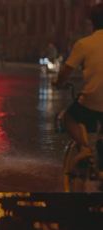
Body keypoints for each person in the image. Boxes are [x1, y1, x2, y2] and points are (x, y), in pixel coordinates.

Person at [53, 3, 103, 166]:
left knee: (68, 117)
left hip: (92, 103)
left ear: (92, 22)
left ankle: (85, 148)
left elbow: (65, 72)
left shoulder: (84, 44)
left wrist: (59, 83)